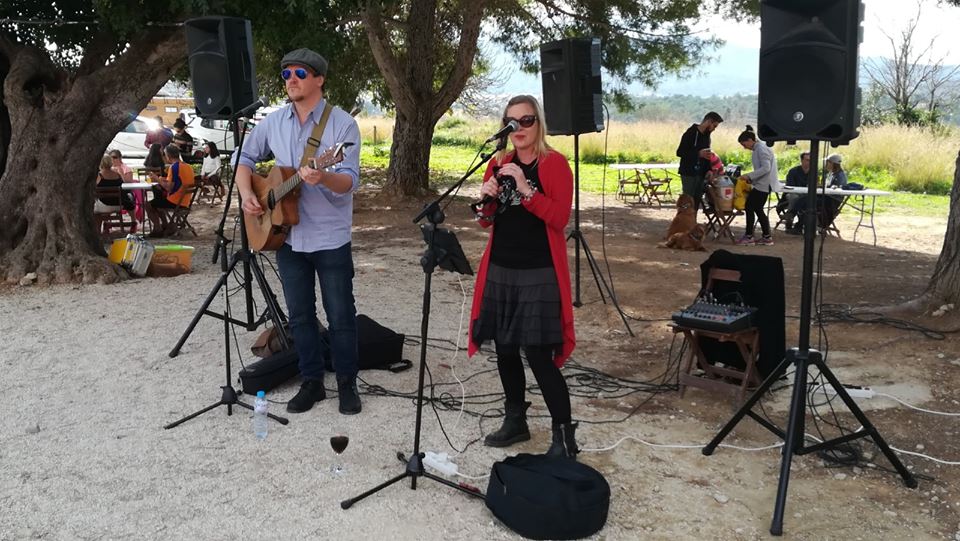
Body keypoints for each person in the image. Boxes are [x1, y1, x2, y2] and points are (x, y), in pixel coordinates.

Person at [235, 48, 363, 415]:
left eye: (300, 73)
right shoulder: (273, 122)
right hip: (287, 237)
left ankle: (346, 384)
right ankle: (311, 383)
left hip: (329, 237)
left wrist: (322, 175)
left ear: (319, 80)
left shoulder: (341, 125)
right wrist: (249, 195)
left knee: (340, 314)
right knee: (300, 316)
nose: (291, 79)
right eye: (286, 73)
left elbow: (349, 182)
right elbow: (244, 159)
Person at [467, 95, 579, 459]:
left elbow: (559, 219)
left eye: (526, 120)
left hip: (539, 270)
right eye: (511, 122)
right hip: (502, 266)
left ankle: (564, 435)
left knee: (537, 353)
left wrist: (526, 189)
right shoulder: (498, 162)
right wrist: (486, 200)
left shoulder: (555, 164)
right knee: (503, 347)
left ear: (539, 124)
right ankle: (515, 420)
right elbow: (486, 222)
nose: (518, 129)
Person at [735, 126, 777, 246]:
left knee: (750, 207)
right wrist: (752, 179)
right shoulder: (758, 149)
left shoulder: (761, 149)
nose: (744, 147)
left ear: (750, 140)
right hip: (761, 184)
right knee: (758, 209)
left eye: (744, 144)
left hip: (763, 185)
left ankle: (749, 236)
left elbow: (766, 168)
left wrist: (749, 176)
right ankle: (766, 236)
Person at [676, 111, 723, 211]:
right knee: (688, 199)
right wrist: (698, 153)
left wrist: (709, 170)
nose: (714, 129)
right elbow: (680, 152)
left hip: (701, 173)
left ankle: (692, 222)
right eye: (714, 126)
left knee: (697, 199)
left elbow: (707, 155)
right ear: (709, 121)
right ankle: (684, 222)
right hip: (688, 172)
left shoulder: (707, 136)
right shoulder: (690, 133)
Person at [144, 144, 195, 236]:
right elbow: (177, 182)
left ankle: (157, 228)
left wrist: (157, 179)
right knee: (158, 200)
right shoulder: (188, 166)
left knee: (148, 205)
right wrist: (163, 179)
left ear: (168, 155)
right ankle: (165, 225)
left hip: (175, 201)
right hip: (185, 200)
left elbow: (169, 187)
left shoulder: (174, 167)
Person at [94, 154, 135, 233]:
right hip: (119, 204)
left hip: (104, 205)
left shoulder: (99, 176)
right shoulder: (117, 175)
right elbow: (123, 184)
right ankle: (106, 225)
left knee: (95, 211)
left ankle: (98, 230)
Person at [109, 149, 141, 230]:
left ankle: (133, 221)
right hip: (112, 193)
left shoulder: (126, 168)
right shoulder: (108, 170)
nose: (113, 159)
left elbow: (128, 182)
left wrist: (121, 173)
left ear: (120, 158)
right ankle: (107, 224)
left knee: (128, 198)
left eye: (115, 157)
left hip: (125, 192)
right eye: (111, 158)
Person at [780, 151, 811, 234]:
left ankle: (790, 215)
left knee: (809, 200)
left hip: (806, 196)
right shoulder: (793, 171)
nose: (809, 162)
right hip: (793, 194)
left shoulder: (814, 172)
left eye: (811, 160)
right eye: (807, 160)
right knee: (794, 197)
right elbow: (790, 187)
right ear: (802, 160)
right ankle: (790, 219)